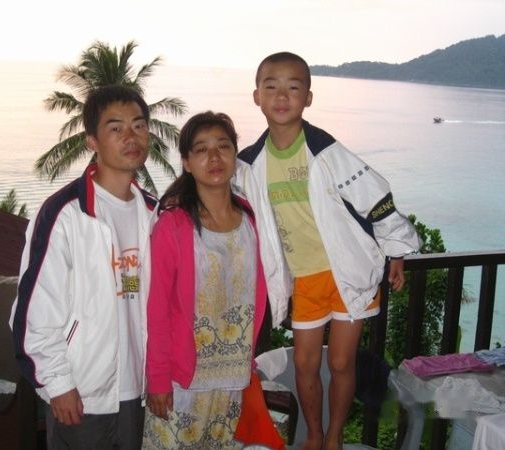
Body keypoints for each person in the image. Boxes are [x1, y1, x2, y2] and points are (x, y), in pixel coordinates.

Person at [235, 52, 420, 450]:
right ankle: (314, 435)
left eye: (293, 87)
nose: (281, 96)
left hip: (348, 273)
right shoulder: (249, 165)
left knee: (340, 362)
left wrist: (397, 251)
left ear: (308, 98)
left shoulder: (326, 151)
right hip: (304, 279)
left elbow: (374, 197)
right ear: (256, 96)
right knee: (305, 363)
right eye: (271, 86)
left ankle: (333, 437)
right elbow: (226, 206)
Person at [9, 85, 158, 450]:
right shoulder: (65, 214)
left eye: (139, 125)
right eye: (115, 128)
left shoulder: (154, 213)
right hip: (82, 393)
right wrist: (57, 383)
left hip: (138, 391)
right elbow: (34, 310)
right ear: (92, 140)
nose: (131, 136)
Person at [143, 112, 285, 449]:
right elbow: (157, 309)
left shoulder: (252, 219)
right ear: (187, 163)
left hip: (234, 379)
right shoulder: (173, 224)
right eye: (202, 149)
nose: (214, 157)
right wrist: (158, 378)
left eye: (223, 146)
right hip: (183, 381)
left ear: (235, 155)